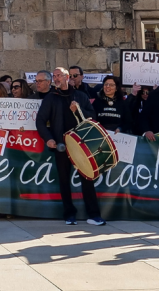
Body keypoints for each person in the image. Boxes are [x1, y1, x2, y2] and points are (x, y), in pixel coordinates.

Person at [35, 67, 104, 226]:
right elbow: (40, 121)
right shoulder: (51, 98)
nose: (56, 78)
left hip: (81, 145)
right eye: (54, 76)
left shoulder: (80, 96)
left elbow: (92, 118)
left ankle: (94, 215)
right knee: (64, 181)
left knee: (87, 179)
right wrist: (49, 138)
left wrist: (78, 111)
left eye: (59, 75)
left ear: (66, 77)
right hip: (61, 145)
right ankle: (69, 214)